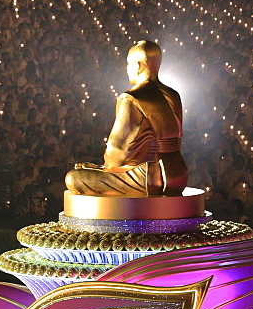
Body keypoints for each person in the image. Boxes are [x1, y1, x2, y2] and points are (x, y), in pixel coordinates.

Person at [65, 40, 187, 197]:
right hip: (178, 175)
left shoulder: (132, 98)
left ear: (138, 65)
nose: (127, 68)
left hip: (147, 177)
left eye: (129, 64)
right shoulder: (173, 94)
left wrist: (106, 169)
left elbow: (118, 151)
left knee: (74, 179)